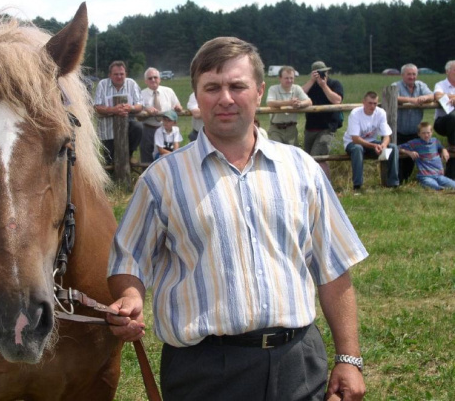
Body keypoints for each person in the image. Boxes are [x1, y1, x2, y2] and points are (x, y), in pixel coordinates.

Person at [107, 37, 367, 401]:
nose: (225, 98)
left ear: (259, 92)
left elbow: (334, 266)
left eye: (237, 86)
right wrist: (130, 295)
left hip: (299, 362)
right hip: (204, 371)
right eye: (212, 87)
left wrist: (349, 358)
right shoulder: (161, 180)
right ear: (196, 97)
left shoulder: (302, 169)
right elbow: (128, 258)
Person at [343, 91, 399, 191]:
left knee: (393, 147)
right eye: (370, 103)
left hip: (372, 143)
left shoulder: (381, 113)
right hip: (352, 143)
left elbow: (387, 135)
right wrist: (374, 146)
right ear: (363, 102)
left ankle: (393, 183)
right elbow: (355, 138)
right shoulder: (355, 113)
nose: (372, 106)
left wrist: (383, 146)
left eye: (375, 103)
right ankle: (357, 185)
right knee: (357, 149)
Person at [93, 61, 143, 165]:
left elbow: (140, 105)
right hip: (107, 130)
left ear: (126, 74)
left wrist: (131, 107)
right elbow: (97, 107)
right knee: (110, 163)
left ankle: (129, 155)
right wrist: (113, 110)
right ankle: (112, 179)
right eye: (116, 74)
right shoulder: (102, 84)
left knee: (138, 127)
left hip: (127, 127)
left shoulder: (132, 83)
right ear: (109, 75)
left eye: (121, 74)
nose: (119, 77)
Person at [393, 64, 435, 183]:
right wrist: (412, 100)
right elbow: (393, 97)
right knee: (397, 158)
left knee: (411, 159)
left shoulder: (421, 85)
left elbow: (432, 95)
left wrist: (424, 98)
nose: (411, 77)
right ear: (402, 75)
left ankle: (406, 181)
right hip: (398, 132)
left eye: (414, 74)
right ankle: (396, 182)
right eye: (409, 74)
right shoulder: (396, 86)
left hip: (414, 133)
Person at [302, 61, 344, 179]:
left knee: (318, 156)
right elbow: (298, 94)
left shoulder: (334, 83)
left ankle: (326, 186)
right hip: (310, 127)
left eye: (323, 72)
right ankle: (313, 185)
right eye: (318, 72)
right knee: (308, 158)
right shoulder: (310, 85)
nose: (321, 74)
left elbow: (337, 100)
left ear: (327, 72)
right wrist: (311, 81)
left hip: (327, 127)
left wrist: (324, 86)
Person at [140, 68, 183, 163]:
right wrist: (146, 109)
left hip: (167, 130)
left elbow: (178, 105)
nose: (153, 80)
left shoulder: (169, 91)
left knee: (168, 159)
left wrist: (178, 107)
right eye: (150, 78)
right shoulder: (141, 94)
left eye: (155, 77)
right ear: (146, 81)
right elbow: (138, 115)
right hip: (148, 129)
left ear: (160, 79)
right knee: (147, 158)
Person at [399, 122, 455, 190]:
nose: (426, 135)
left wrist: (444, 150)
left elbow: (441, 147)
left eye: (428, 132)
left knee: (453, 184)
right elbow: (398, 148)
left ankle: (442, 188)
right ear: (419, 134)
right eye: (423, 133)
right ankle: (440, 189)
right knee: (432, 185)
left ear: (432, 132)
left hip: (439, 175)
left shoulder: (435, 141)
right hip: (425, 176)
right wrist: (409, 152)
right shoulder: (415, 143)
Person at [266, 66, 312, 145]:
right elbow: (270, 102)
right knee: (277, 154)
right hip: (276, 128)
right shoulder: (273, 89)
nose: (289, 80)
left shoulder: (297, 88)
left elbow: (309, 101)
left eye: (291, 78)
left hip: (292, 129)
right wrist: (289, 103)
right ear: (280, 78)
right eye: (286, 78)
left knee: (292, 154)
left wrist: (299, 104)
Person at [433, 60, 455, 179]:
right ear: (447, 71)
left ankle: (451, 177)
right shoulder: (441, 84)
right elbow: (437, 96)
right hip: (442, 122)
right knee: (453, 117)